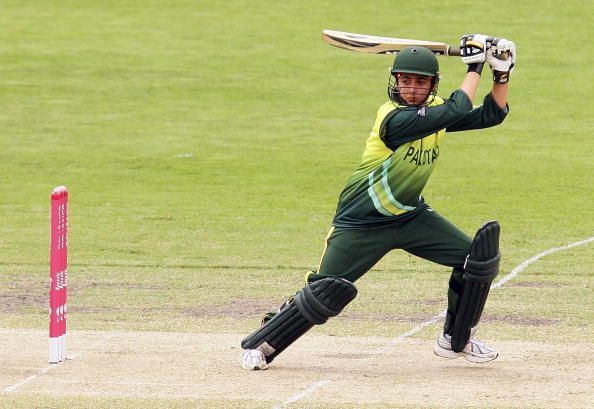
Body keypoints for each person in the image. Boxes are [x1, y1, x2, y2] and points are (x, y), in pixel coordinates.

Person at [240, 34, 516, 370]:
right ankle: (264, 342)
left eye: (420, 81)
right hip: (362, 221)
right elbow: (458, 107)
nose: (412, 88)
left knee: (477, 259)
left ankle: (455, 339)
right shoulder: (393, 118)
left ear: (432, 84)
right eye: (405, 80)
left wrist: (501, 73)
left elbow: (491, 114)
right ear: (395, 82)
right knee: (324, 291)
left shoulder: (436, 113)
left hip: (411, 218)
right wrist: (475, 65)